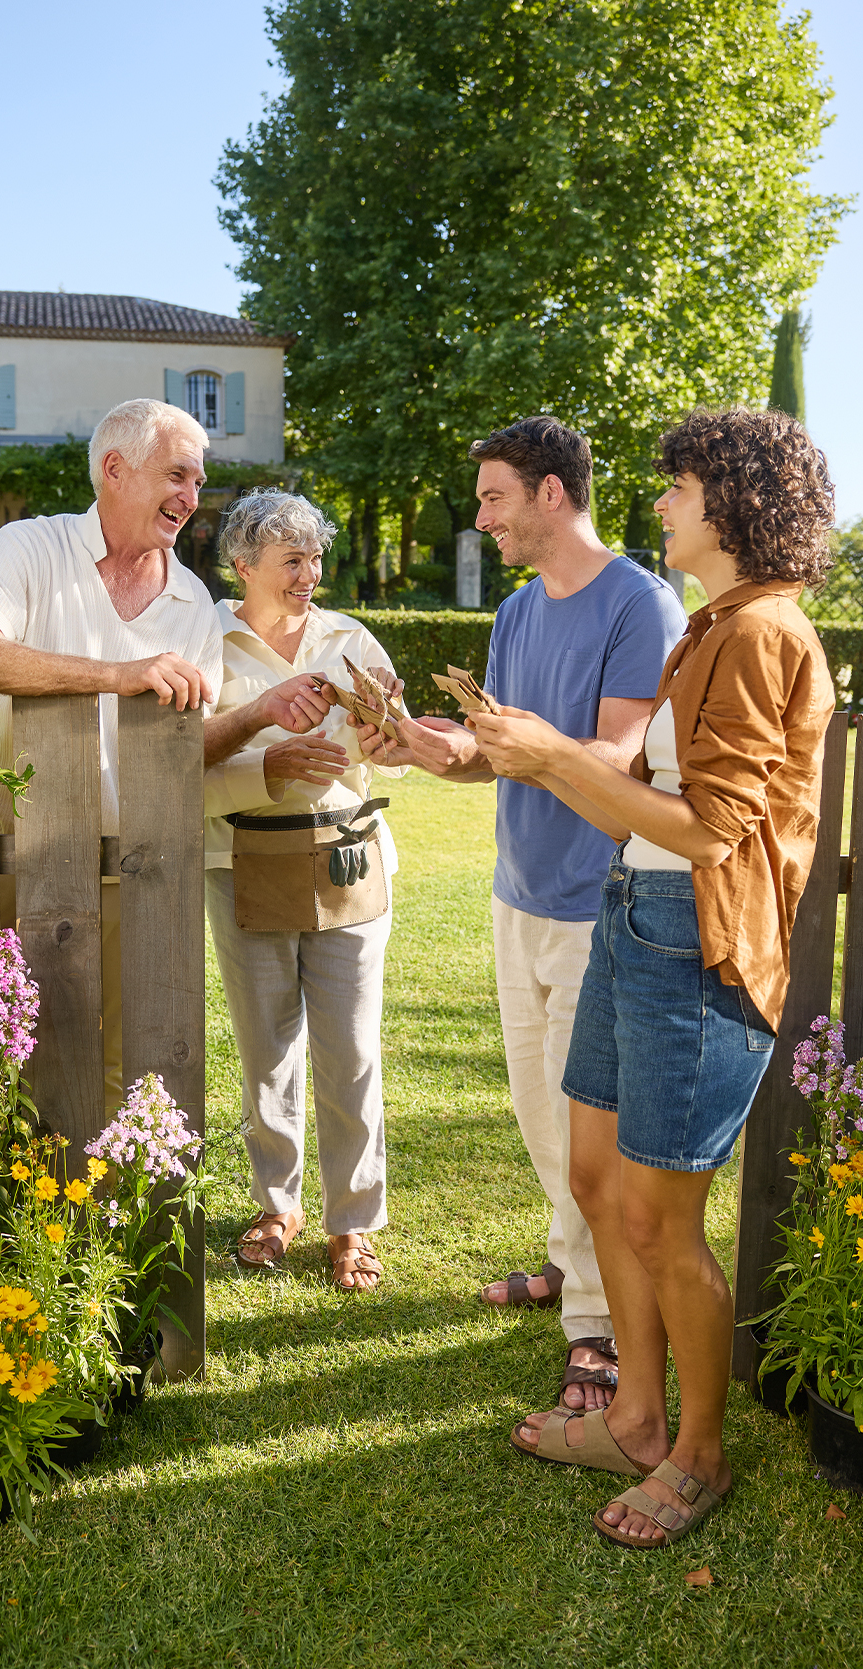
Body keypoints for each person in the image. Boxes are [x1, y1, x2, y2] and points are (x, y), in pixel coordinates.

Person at [469, 407, 835, 1548]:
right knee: (592, 1177)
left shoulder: (766, 634)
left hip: (698, 938)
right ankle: (634, 1413)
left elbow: (714, 831)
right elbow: (638, 796)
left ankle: (700, 1452)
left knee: (659, 1221)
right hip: (632, 913)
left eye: (678, 486)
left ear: (731, 503)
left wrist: (554, 756)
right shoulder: (715, 624)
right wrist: (530, 754)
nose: (663, 503)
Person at [357, 416, 686, 1404]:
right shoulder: (515, 614)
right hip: (519, 894)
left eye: (495, 495)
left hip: (604, 906)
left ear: (552, 492)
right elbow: (492, 755)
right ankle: (569, 1264)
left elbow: (619, 761)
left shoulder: (642, 605)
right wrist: (424, 744)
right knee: (543, 1117)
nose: (481, 515)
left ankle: (600, 1322)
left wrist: (516, 743)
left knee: (592, 1128)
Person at [0, 399, 334, 1111]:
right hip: (8, 861)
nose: (191, 497)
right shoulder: (31, 547)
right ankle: (14, 1213)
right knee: (0, 1054)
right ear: (114, 469)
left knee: (123, 1059)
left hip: (134, 868)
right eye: (176, 475)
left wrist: (253, 716)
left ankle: (106, 1215)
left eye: (198, 479)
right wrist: (113, 675)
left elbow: (186, 752)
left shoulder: (191, 601)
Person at [203, 488, 408, 1291]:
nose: (309, 574)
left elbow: (394, 755)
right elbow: (183, 760)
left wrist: (383, 732)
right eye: (292, 560)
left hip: (349, 862)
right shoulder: (205, 639)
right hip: (241, 862)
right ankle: (275, 1205)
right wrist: (267, 764)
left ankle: (352, 1222)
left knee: (351, 1049)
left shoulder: (349, 637)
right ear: (244, 563)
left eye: (315, 558)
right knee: (264, 1049)